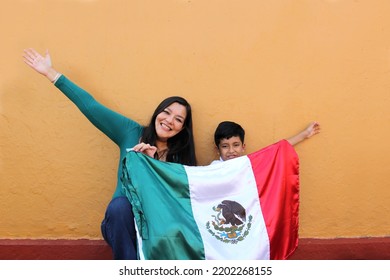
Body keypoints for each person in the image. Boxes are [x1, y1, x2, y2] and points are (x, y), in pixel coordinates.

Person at [22, 48, 197, 260]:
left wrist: (153, 165)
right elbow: (90, 106)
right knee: (119, 207)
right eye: (166, 112)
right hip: (123, 224)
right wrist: (51, 73)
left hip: (159, 231)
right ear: (157, 114)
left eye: (178, 119)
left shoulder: (183, 161)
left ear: (183, 128)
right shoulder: (132, 133)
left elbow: (181, 206)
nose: (169, 120)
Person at [212, 120, 320, 163]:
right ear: (217, 149)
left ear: (243, 147)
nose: (231, 150)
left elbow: (275, 150)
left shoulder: (249, 164)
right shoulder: (212, 170)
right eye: (225, 146)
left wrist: (304, 134)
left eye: (236, 145)